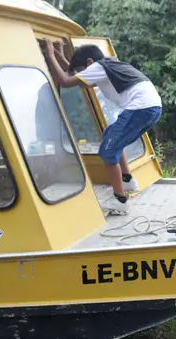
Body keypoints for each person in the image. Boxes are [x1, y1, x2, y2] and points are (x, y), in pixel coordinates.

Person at [43, 40, 162, 215]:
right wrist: (60, 53)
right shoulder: (108, 66)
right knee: (111, 137)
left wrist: (50, 55)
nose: (81, 75)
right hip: (151, 108)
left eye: (82, 70)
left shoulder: (99, 67)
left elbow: (66, 81)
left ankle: (120, 200)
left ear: (90, 63)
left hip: (140, 108)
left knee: (107, 151)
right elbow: (77, 77)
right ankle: (128, 181)